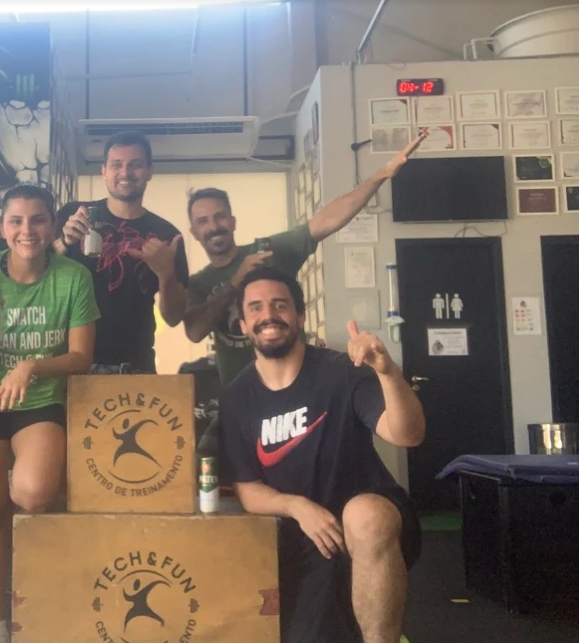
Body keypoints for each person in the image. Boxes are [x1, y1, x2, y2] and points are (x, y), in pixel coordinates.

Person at [218, 266, 425, 643]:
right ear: (244, 325)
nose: (268, 315)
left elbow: (408, 434)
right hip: (299, 534)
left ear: (300, 315)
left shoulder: (343, 371)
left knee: (364, 515)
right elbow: (248, 489)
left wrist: (388, 374)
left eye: (280, 305)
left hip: (373, 526)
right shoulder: (236, 397)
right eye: (256, 308)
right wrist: (298, 507)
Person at [0, 183, 99, 643]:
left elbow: (81, 358)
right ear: (2, 228)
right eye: (16, 221)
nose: (27, 230)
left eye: (37, 219)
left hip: (39, 401)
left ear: (52, 225)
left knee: (33, 495)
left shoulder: (73, 277)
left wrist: (31, 366)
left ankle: (21, 478)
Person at [184, 134, 427, 387]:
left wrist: (381, 175)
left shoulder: (266, 252)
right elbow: (194, 332)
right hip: (242, 393)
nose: (214, 226)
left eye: (220, 216)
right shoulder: (197, 284)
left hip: (299, 384)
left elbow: (325, 221)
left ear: (233, 221)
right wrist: (235, 282)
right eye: (203, 221)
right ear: (194, 232)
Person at [53, 130, 189, 374]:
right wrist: (63, 241)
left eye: (135, 165)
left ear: (149, 171)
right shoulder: (74, 215)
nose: (125, 173)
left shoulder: (167, 235)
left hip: (135, 365)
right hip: (72, 360)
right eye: (116, 165)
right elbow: (36, 273)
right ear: (104, 171)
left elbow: (174, 317)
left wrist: (166, 273)